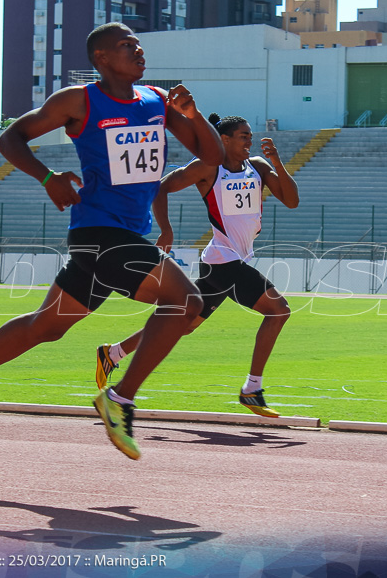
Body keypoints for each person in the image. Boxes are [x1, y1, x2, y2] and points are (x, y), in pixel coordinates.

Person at [0, 23, 223, 460]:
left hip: (120, 235)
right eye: (127, 46)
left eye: (139, 45)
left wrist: (194, 116)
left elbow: (212, 157)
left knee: (44, 328)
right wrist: (47, 177)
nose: (139, 51)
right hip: (100, 233)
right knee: (187, 302)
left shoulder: (157, 101)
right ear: (102, 58)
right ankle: (119, 400)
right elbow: (10, 138)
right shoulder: (78, 101)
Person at [96, 114, 299, 417]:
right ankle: (251, 389)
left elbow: (292, 201)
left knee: (184, 325)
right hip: (223, 261)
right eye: (243, 135)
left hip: (228, 259)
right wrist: (166, 230)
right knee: (279, 310)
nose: (249, 140)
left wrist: (277, 162)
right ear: (225, 139)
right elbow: (160, 187)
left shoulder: (257, 166)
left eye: (250, 135)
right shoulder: (207, 167)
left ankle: (113, 353)